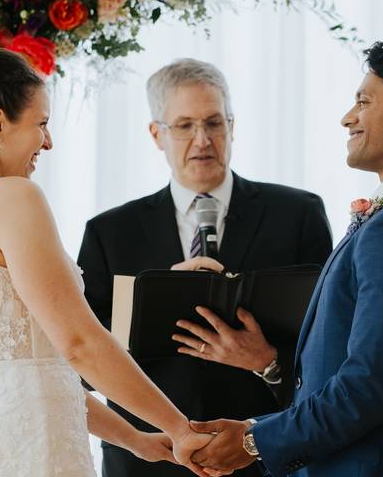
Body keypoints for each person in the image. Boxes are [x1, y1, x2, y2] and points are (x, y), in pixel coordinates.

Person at [0, 48, 214, 477]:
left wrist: (135, 439)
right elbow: (78, 344)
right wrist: (179, 427)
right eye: (41, 124)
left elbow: (32, 367)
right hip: (32, 450)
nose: (49, 141)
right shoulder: (13, 197)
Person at [190, 39, 383, 477]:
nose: (348, 117)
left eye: (364, 101)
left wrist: (253, 442)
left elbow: (370, 388)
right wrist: (258, 424)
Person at [78, 58, 333, 477]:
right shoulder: (109, 232)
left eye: (214, 123)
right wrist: (152, 298)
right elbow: (83, 362)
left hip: (265, 456)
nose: (203, 140)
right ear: (156, 134)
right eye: (184, 126)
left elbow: (330, 342)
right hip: (148, 460)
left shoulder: (298, 214)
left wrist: (267, 361)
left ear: (233, 126)